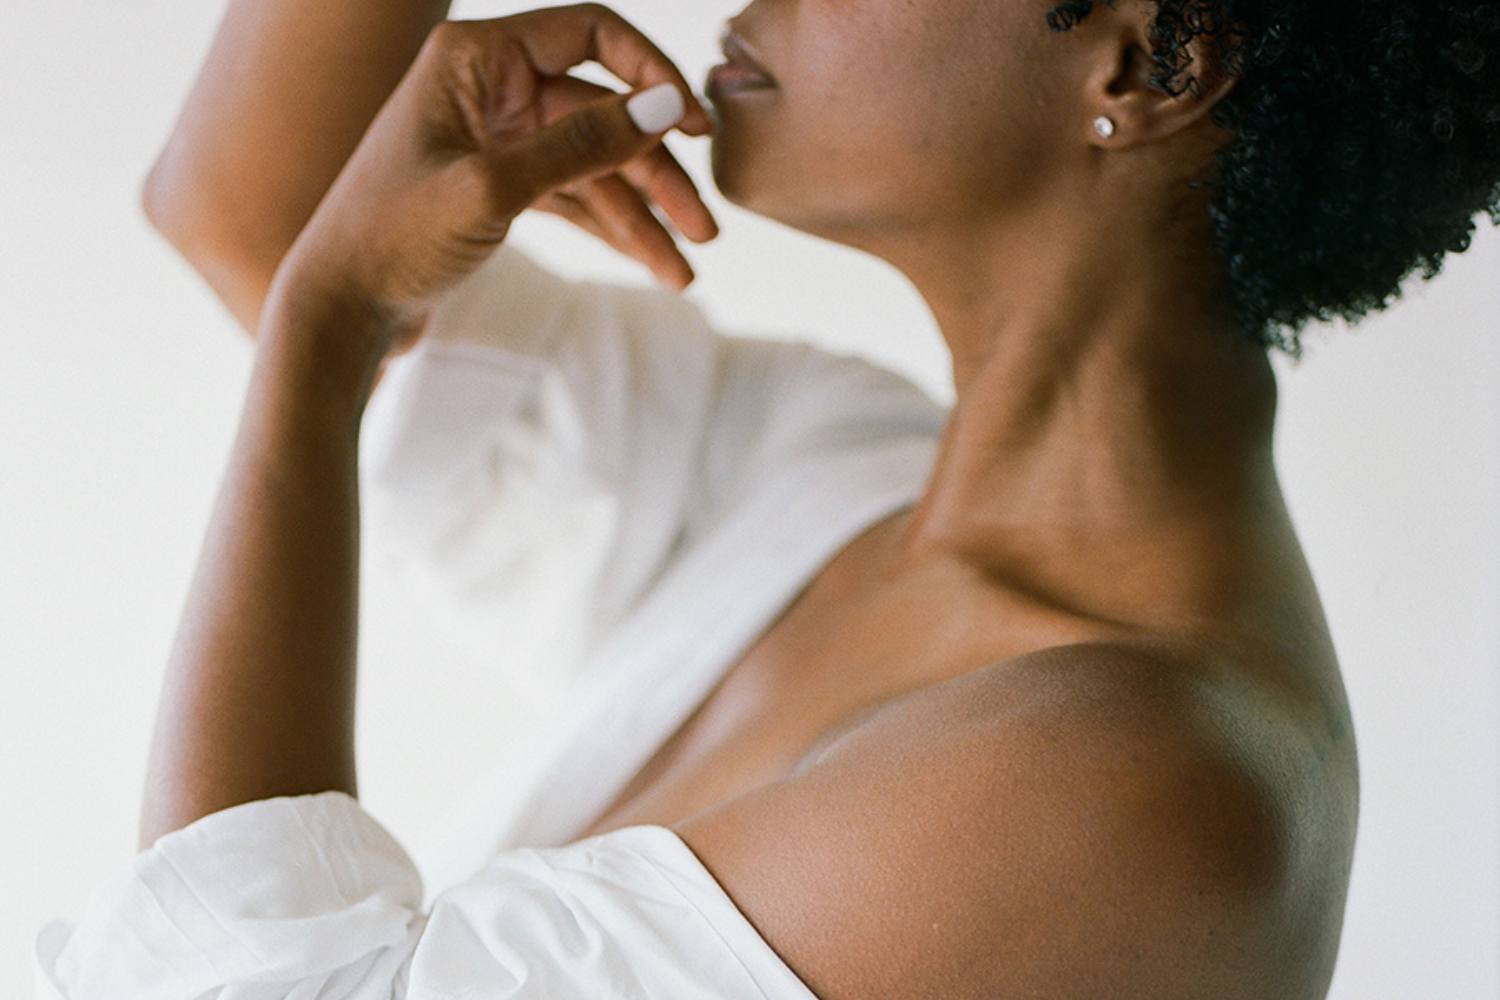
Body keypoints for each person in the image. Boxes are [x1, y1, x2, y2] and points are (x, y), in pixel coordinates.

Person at [31, 1, 1500, 997]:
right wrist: (324, 290)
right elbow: (249, 205)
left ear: (1148, 63)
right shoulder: (838, 476)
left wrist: (330, 329)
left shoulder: (1128, 783)